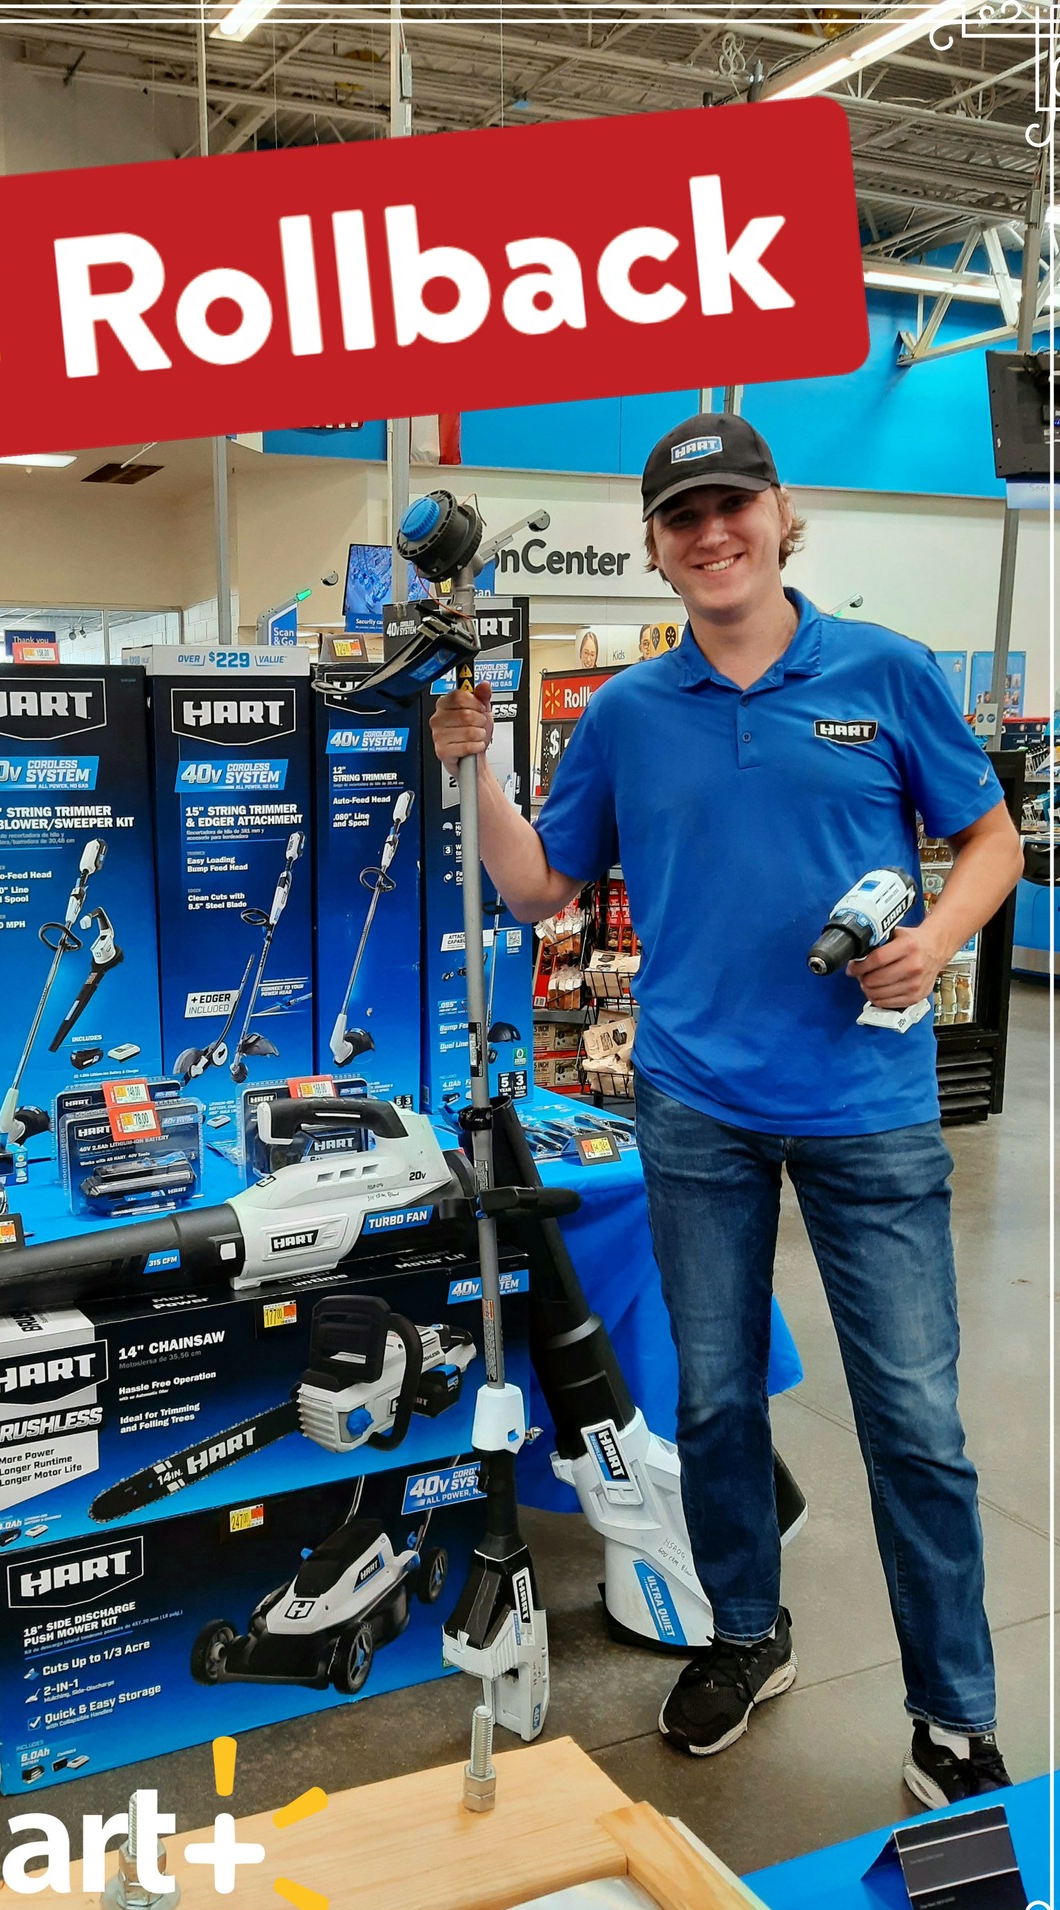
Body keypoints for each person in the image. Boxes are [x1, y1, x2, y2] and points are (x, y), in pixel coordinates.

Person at [430, 413, 1025, 1809]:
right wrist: (476, 767)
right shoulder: (631, 713)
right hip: (696, 1105)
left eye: (732, 507)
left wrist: (936, 940)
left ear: (780, 514)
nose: (713, 535)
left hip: (869, 1105)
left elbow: (991, 837)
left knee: (916, 1422)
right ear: (655, 546)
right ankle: (744, 1632)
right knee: (713, 1400)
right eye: (683, 518)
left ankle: (953, 1714)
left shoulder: (885, 671)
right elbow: (537, 889)